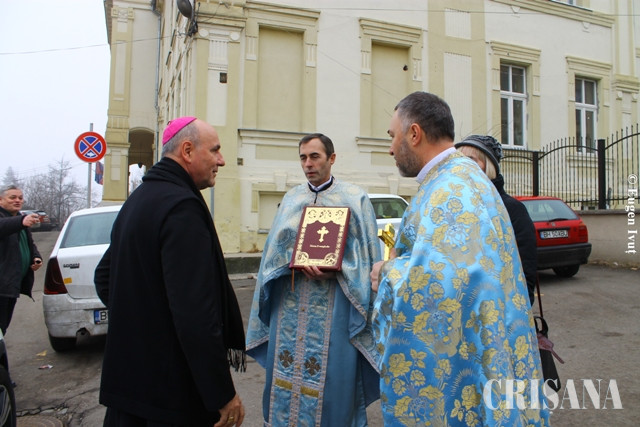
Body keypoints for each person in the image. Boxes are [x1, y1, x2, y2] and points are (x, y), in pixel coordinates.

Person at [370, 92, 550, 426]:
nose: (391, 148)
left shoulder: (449, 190)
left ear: (414, 134)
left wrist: (386, 272)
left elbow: (440, 283)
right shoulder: (463, 177)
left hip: (469, 358)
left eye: (393, 136)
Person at [94, 117, 246, 426]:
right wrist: (221, 394)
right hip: (171, 399)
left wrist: (144, 327)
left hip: (130, 389)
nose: (221, 160)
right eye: (215, 150)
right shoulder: (182, 208)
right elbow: (196, 315)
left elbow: (104, 278)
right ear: (187, 151)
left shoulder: (138, 199)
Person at [246, 133, 382, 426]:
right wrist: (290, 263)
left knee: (334, 378)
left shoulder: (355, 199)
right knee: (286, 375)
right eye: (303, 158)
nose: (308, 164)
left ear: (331, 158)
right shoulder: (291, 199)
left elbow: (368, 259)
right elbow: (272, 255)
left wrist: (338, 268)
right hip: (290, 302)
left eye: (314, 157)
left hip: (336, 305)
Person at [456, 135, 538, 305]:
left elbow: (525, 267)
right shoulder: (458, 206)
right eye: (459, 159)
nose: (463, 165)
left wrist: (520, 307)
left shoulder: (512, 209)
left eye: (471, 159)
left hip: (501, 306)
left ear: (489, 166)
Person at [0, 185, 42, 335]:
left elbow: (29, 243)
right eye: (12, 197)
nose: (17, 200)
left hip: (11, 285)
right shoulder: (13, 220)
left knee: (3, 327)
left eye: (20, 198)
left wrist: (36, 257)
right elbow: (3, 226)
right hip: (2, 286)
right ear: (1, 200)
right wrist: (21, 221)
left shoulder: (19, 218)